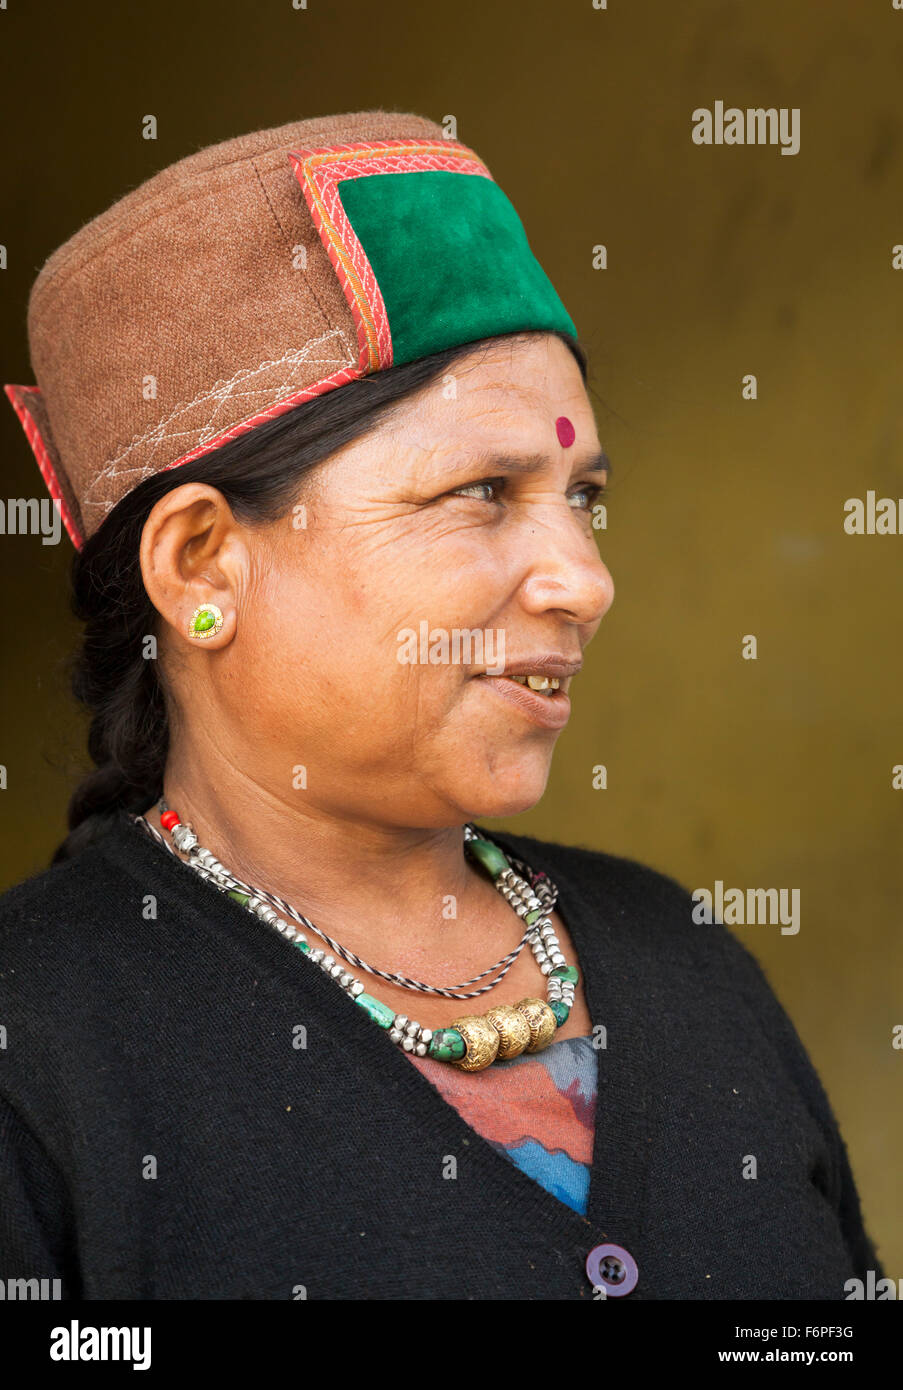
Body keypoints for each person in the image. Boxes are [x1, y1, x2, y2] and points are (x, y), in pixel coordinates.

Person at [0, 111, 882, 1300]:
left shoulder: (682, 959)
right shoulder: (39, 1048)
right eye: (483, 490)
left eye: (583, 495)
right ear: (204, 566)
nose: (587, 580)